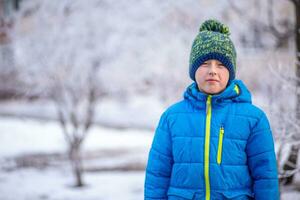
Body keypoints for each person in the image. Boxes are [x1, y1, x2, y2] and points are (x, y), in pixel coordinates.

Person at [144, 19, 279, 200]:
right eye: (205, 63)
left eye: (221, 65)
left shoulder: (254, 119)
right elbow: (157, 175)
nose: (213, 71)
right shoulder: (171, 117)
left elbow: (265, 178)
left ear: (231, 72)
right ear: (193, 70)